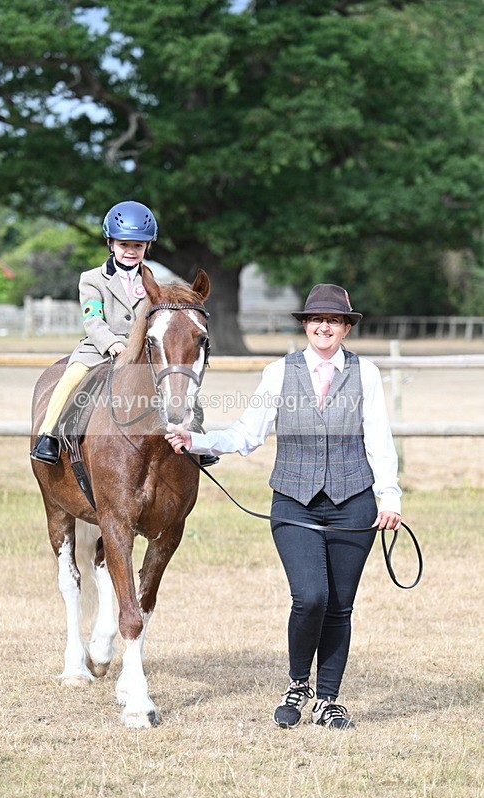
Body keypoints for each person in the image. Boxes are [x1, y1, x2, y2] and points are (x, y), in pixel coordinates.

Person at [165, 283, 401, 730]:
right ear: (306, 325)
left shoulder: (365, 374)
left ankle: (328, 699)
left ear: (346, 327)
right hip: (295, 501)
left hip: (355, 503)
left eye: (334, 320)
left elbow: (380, 440)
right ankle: (298, 683)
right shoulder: (279, 372)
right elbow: (246, 434)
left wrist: (389, 496)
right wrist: (196, 440)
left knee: (340, 606)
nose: (324, 326)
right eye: (317, 319)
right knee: (310, 597)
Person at [31, 200, 218, 467]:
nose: (131, 251)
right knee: (70, 378)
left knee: (179, 383)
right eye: (124, 245)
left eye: (138, 246)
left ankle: (197, 436)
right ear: (111, 243)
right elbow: (93, 319)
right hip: (99, 348)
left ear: (147, 247)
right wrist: (112, 344)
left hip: (143, 350)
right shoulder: (92, 279)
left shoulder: (156, 283)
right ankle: (48, 434)